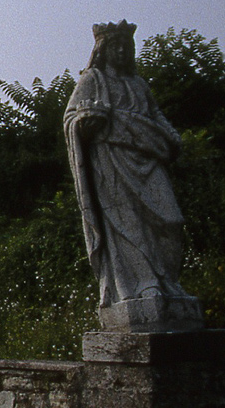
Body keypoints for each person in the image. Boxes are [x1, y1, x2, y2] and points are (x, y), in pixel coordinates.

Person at [63, 20, 191, 313]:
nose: (121, 51)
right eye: (115, 46)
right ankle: (143, 285)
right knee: (127, 224)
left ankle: (168, 281)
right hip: (111, 160)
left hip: (146, 157)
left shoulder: (138, 84)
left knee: (171, 220)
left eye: (126, 47)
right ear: (103, 50)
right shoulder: (92, 80)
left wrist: (171, 137)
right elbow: (71, 118)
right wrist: (84, 122)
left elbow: (155, 114)